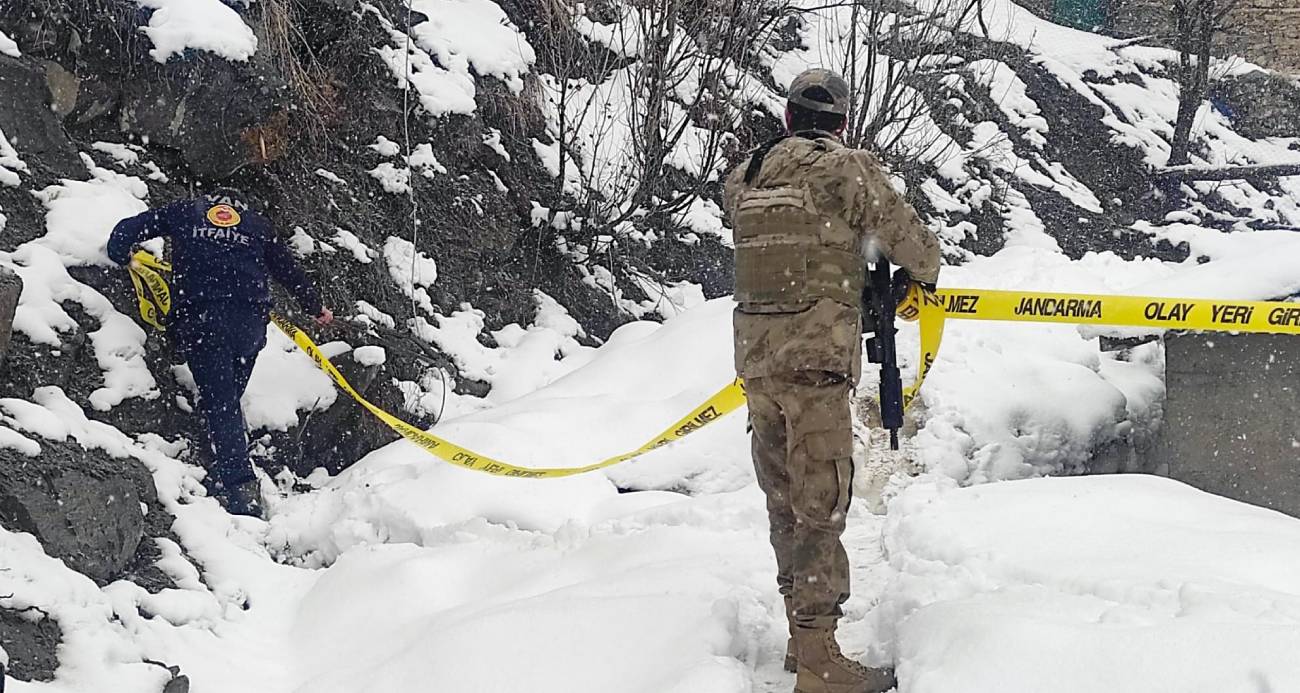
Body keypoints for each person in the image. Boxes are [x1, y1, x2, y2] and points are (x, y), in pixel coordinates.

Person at [724, 69, 941, 693]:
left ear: (789, 117)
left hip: (756, 366)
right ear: (840, 122)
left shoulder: (749, 175)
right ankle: (819, 663)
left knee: (784, 501)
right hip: (816, 366)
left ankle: (801, 639)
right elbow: (916, 249)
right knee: (821, 508)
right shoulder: (849, 170)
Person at [107, 187, 333, 517]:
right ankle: (218, 444)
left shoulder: (186, 212)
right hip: (249, 323)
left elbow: (129, 228)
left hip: (202, 318)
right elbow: (289, 271)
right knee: (225, 396)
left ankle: (239, 487)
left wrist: (119, 254)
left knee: (222, 400)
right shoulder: (257, 225)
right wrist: (316, 308)